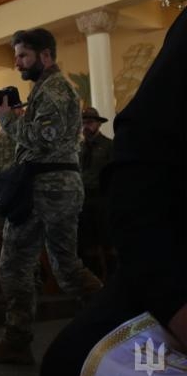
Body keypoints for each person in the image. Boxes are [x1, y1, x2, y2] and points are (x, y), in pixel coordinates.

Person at [40, 6, 187, 376]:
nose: (87, 127)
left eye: (90, 123)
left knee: (75, 264)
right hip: (100, 210)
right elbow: (138, 176)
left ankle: (88, 292)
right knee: (73, 354)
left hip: (80, 202)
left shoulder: (91, 136)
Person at [0, 28, 102, 365]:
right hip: (46, 188)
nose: (17, 63)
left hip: (52, 188)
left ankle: (112, 320)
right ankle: (20, 338)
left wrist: (7, 121)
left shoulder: (56, 91)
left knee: (46, 267)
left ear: (45, 56)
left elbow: (43, 139)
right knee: (42, 265)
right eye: (16, 56)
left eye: (23, 56)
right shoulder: (46, 90)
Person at [77, 107, 115, 281]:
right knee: (88, 246)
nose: (86, 127)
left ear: (98, 124)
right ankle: (95, 282)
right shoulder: (78, 149)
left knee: (108, 244)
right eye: (83, 123)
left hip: (102, 200)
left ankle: (114, 280)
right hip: (84, 201)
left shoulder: (109, 146)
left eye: (90, 123)